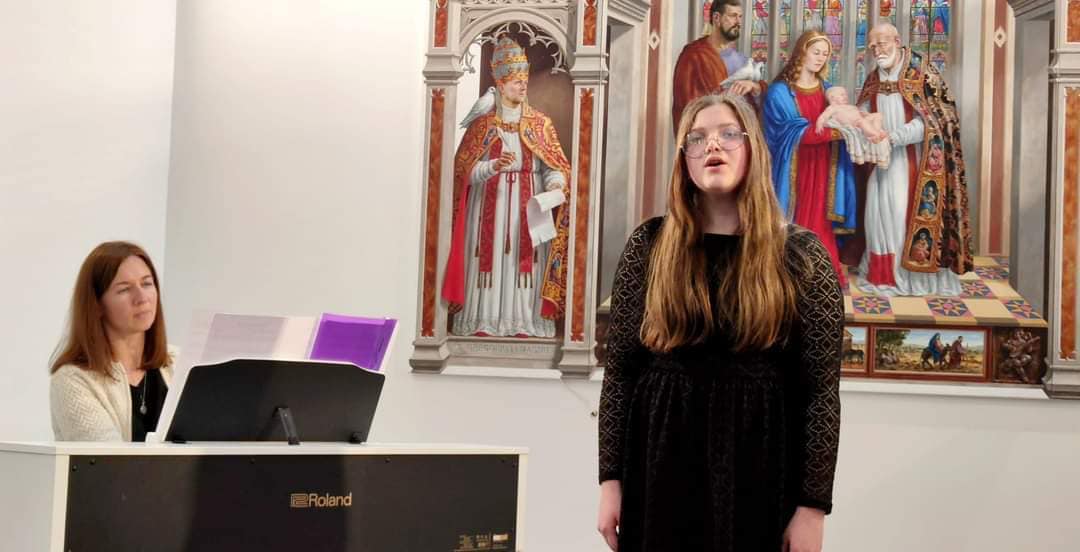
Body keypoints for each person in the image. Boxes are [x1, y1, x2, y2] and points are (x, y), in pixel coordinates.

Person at [597, 93, 842, 552]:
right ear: (684, 159)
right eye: (697, 138)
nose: (713, 145)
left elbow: (820, 393)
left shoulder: (801, 256)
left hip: (760, 465)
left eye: (729, 134)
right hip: (660, 462)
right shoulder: (649, 245)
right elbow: (621, 375)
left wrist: (812, 508)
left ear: (753, 149)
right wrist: (610, 481)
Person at [442, 36, 572, 337]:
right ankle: (483, 321)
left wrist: (554, 188)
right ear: (500, 85)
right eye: (516, 82)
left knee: (523, 262)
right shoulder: (483, 125)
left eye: (524, 80)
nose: (523, 86)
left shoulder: (540, 124)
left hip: (529, 208)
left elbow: (554, 167)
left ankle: (525, 323)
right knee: (488, 259)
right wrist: (492, 167)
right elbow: (462, 173)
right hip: (488, 206)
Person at [854, 23, 973, 296]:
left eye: (882, 43)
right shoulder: (873, 78)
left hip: (916, 164)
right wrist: (862, 123)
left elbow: (934, 122)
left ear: (897, 41)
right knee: (875, 218)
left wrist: (893, 138)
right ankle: (882, 276)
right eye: (872, 46)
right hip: (880, 162)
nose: (876, 50)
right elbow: (863, 110)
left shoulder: (922, 73)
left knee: (899, 218)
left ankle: (910, 280)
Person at [50, 242, 174, 442]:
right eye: (124, 289)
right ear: (97, 304)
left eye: (146, 284)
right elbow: (106, 458)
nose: (142, 298)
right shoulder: (72, 379)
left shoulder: (180, 363)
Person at [764, 30, 858, 287]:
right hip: (794, 168)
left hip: (825, 166)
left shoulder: (827, 89)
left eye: (825, 54)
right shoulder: (780, 92)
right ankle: (793, 275)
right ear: (802, 52)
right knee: (797, 220)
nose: (820, 58)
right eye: (816, 52)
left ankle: (824, 274)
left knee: (822, 221)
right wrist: (838, 131)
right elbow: (791, 132)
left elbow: (842, 118)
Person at [672, 0, 767, 128]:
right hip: (709, 133)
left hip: (741, 133)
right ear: (716, 18)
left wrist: (755, 87)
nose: (738, 22)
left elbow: (759, 103)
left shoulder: (743, 60)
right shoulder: (693, 55)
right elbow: (685, 105)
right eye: (733, 16)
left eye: (740, 17)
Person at [816, 86, 890, 168]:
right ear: (832, 98)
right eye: (842, 95)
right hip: (855, 123)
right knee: (862, 122)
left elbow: (860, 113)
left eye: (845, 95)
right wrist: (819, 124)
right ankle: (875, 134)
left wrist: (867, 115)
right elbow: (823, 117)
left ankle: (876, 132)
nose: (845, 96)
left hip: (862, 120)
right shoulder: (833, 108)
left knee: (878, 115)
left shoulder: (851, 106)